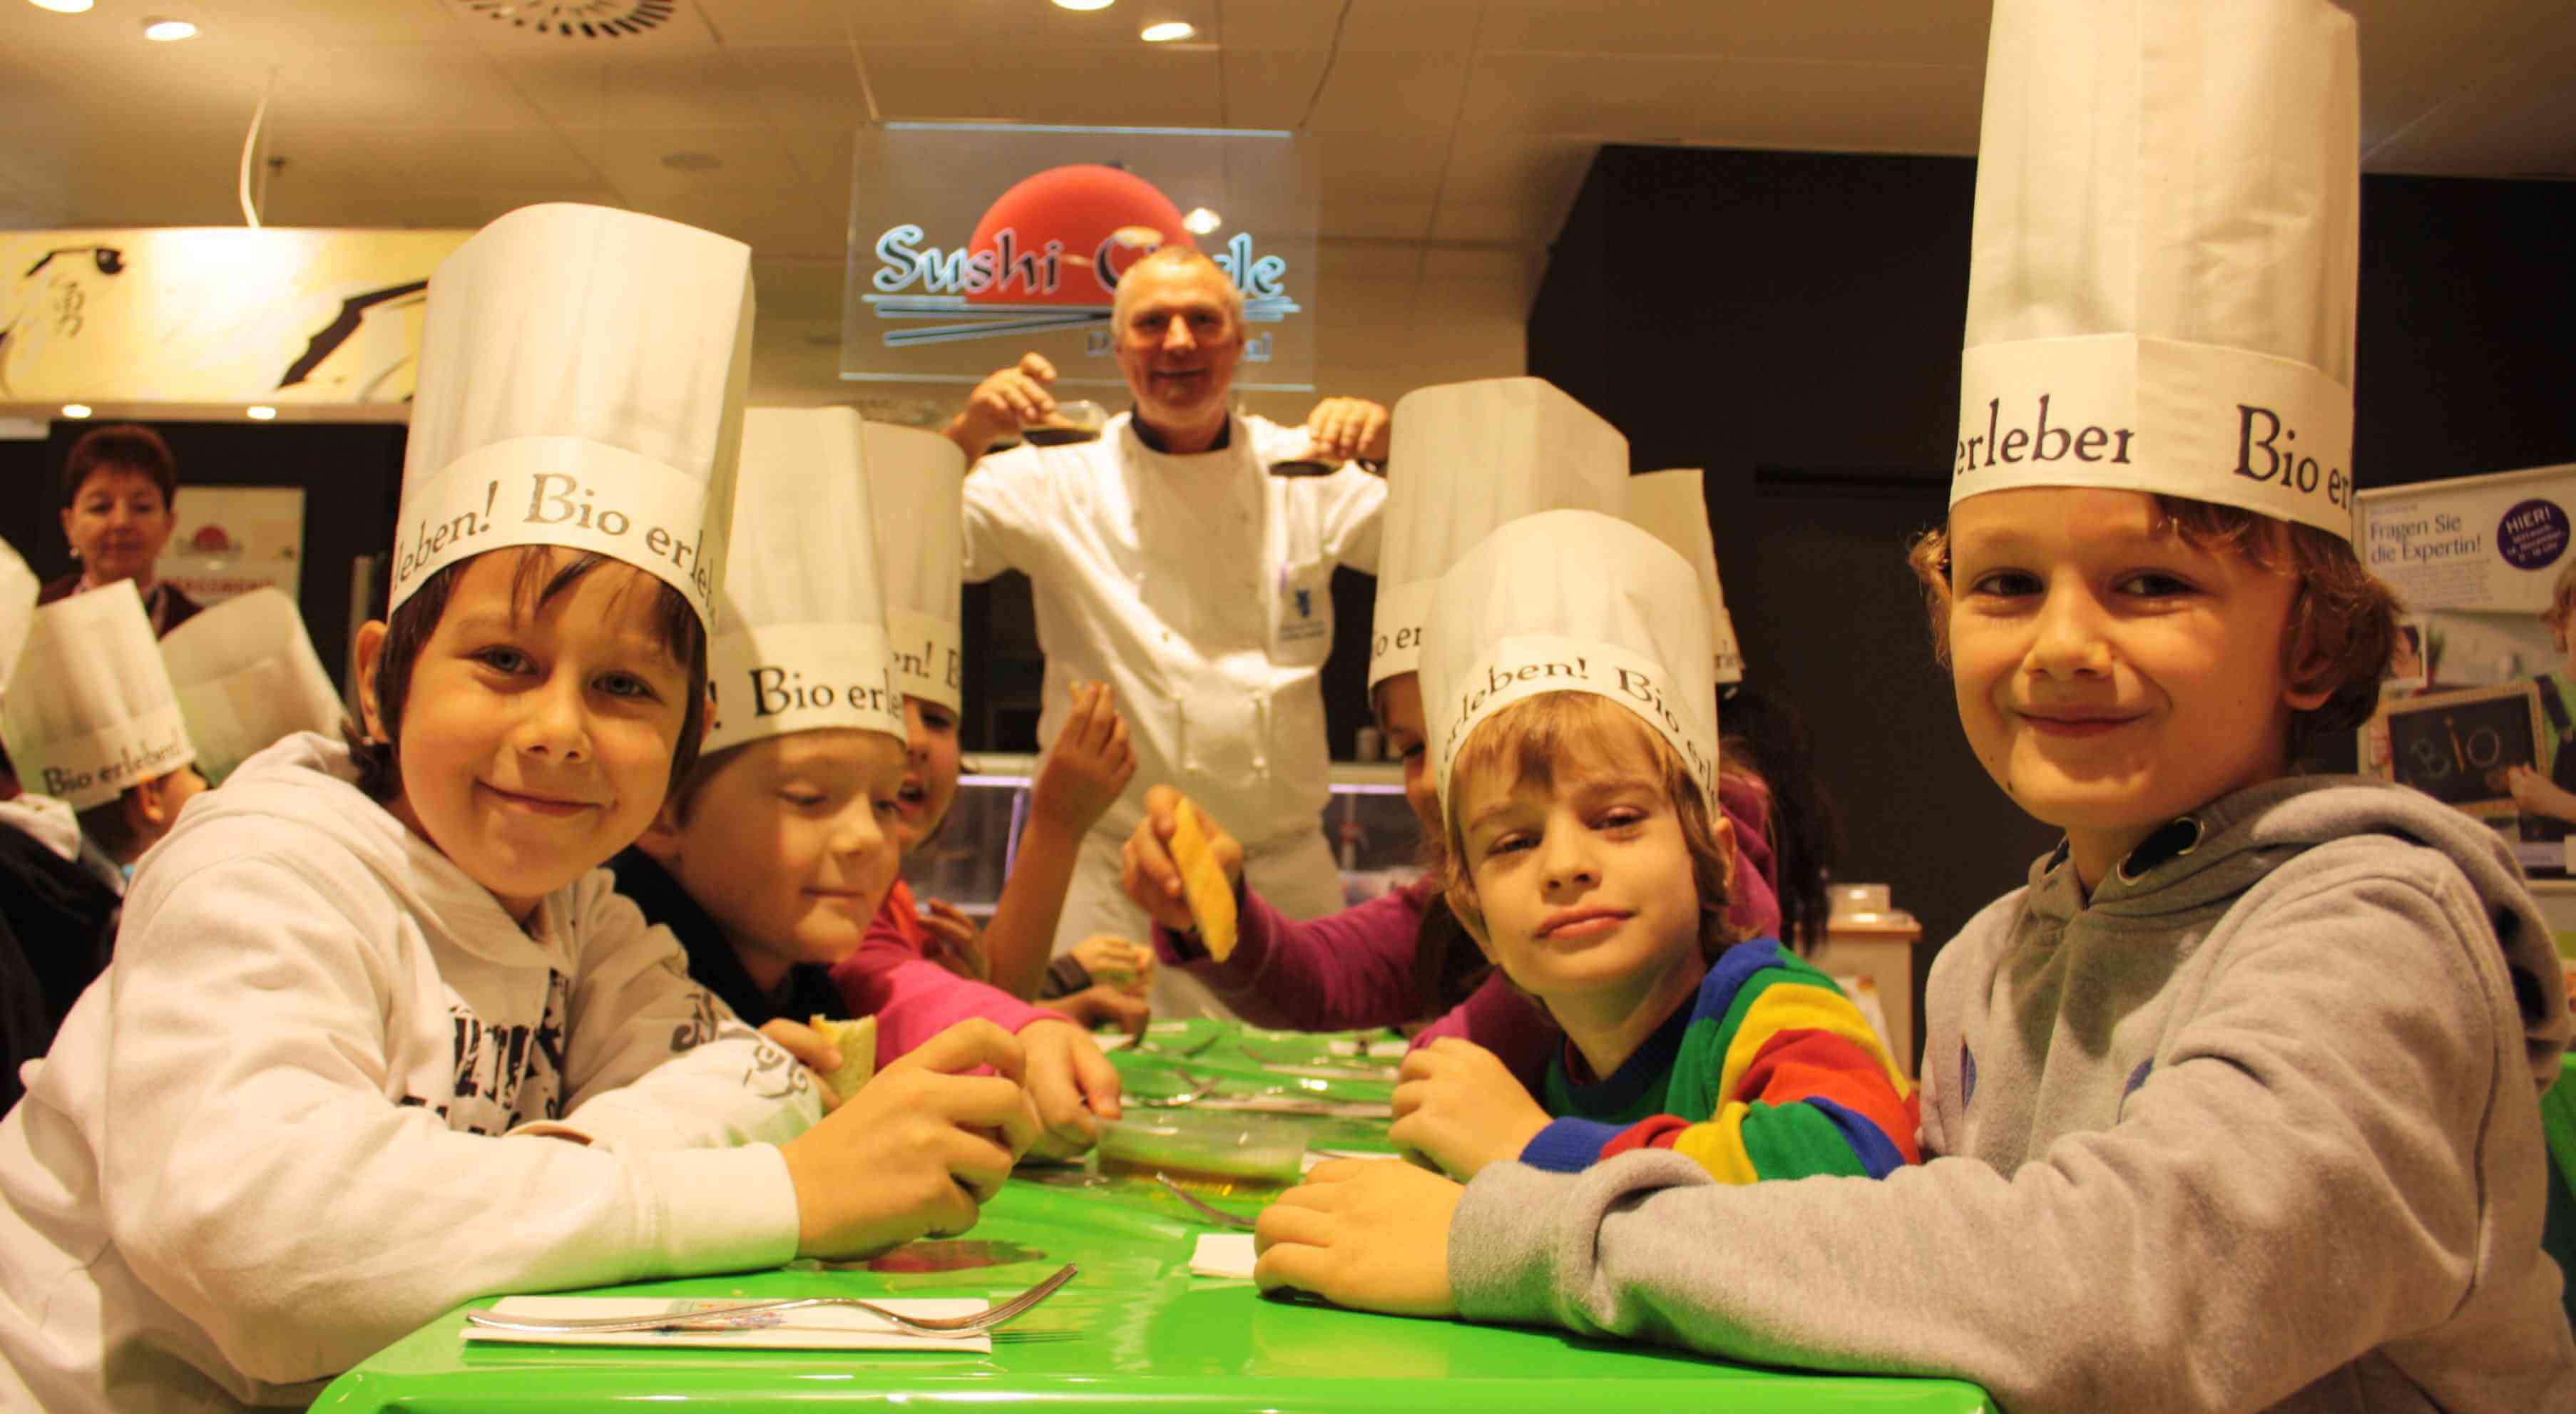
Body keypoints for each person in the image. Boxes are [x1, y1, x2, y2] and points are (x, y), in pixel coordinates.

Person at [1249, 4, 2576, 1408]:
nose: (2064, 643)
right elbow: (1901, 1264)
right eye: (2007, 583)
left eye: (2150, 582)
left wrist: (1517, 1230)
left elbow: (2146, 1284)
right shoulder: (1990, 960)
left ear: (2311, 631)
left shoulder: (2370, 930)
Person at [0, 205, 1041, 1414]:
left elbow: (754, 1083)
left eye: (620, 685)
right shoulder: (261, 872)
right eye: (502, 660)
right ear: (383, 677)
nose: (557, 726)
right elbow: (268, 1243)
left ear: (684, 733)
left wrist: (490, 1193)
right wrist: (778, 1195)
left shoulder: (583, 914)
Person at [1120, 380, 1784, 1085]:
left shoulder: (1725, 923)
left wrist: (1467, 1059)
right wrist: (1212, 905)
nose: (1432, 778)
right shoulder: (1478, 892)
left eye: (1617, 817)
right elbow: (1324, 976)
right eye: (1410, 746)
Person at [615, 406, 1123, 1162]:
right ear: (661, 809)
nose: (862, 839)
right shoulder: (618, 974)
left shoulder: (807, 978)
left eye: (881, 802)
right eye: (808, 799)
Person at [1382, 510, 1914, 1184]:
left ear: (1713, 857)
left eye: (1618, 818)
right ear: (1474, 919)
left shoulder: (1764, 1011)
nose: (1566, 865)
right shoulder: (1551, 1068)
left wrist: (1536, 1148)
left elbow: (1857, 1158)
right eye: (1514, 841)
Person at [944, 243, 1395, 1020]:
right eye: (1152, 324)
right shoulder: (1059, 477)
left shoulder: (1304, 469)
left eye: (1203, 321)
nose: (1179, 341)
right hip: (1110, 876)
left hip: (1282, 873)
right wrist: (969, 433)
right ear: (1120, 352)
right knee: (1089, 1086)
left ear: (1239, 342)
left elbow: (1432, 545)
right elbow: (920, 544)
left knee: (1311, 1082)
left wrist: (1396, 453)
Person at [847, 417, 1150, 1036]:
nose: (913, 741)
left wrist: (1047, 1000)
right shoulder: (836, 912)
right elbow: (965, 1036)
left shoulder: (890, 898)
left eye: (937, 718)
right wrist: (1058, 821)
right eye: (879, 703)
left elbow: (970, 1019)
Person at [41, 424, 201, 636]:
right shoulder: (29, 621)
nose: (121, 523)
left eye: (142, 507)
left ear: (169, 524)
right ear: (69, 524)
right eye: (101, 507)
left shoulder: (201, 630)